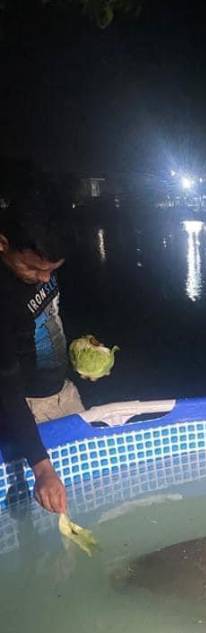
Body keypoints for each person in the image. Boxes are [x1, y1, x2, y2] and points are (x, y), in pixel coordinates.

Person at [0, 184, 83, 514]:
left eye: (52, 271)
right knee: (48, 504)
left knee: (80, 494)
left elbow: (52, 312)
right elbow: (5, 384)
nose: (42, 278)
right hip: (28, 408)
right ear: (3, 243)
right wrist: (42, 467)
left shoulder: (42, 258)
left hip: (63, 391)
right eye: (33, 268)